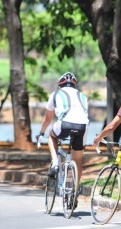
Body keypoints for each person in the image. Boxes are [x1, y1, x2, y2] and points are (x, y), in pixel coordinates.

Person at [36, 72, 89, 206]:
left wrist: (41, 133)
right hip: (83, 127)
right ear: (75, 85)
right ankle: (75, 192)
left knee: (51, 134)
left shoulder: (55, 94)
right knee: (77, 160)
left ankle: (54, 163)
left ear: (60, 85)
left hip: (65, 124)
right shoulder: (82, 95)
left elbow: (47, 118)